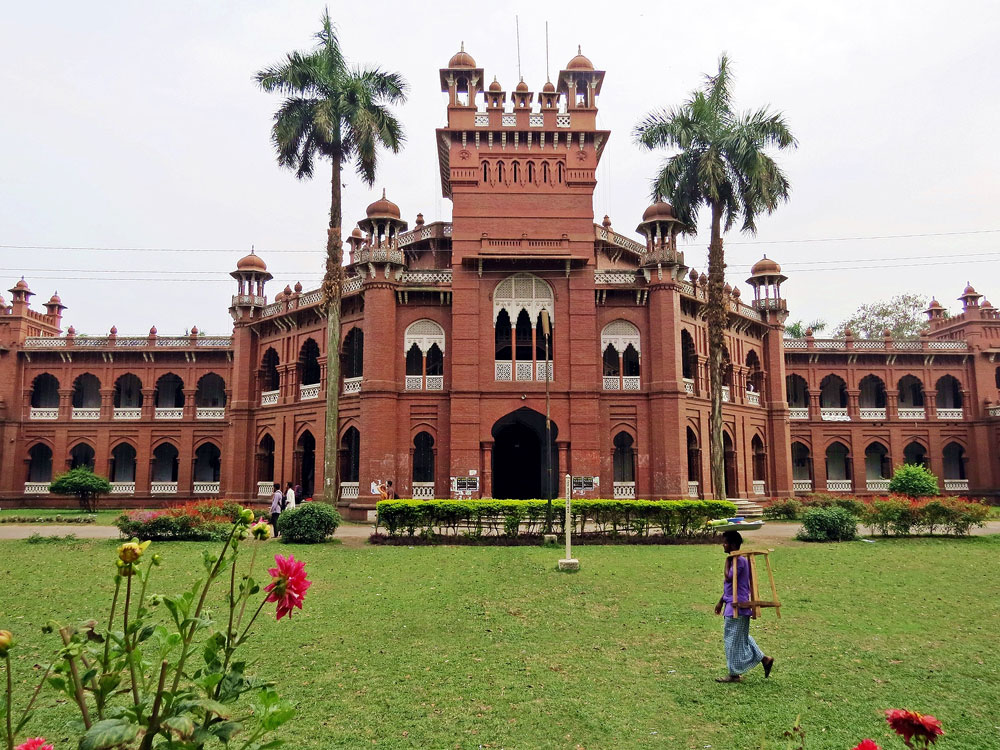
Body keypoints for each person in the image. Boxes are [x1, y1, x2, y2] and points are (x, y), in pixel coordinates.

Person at [713, 530, 774, 683]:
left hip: (738, 606)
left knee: (731, 639)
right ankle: (765, 659)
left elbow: (729, 577)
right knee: (740, 637)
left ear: (733, 545)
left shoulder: (738, 561)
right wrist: (721, 601)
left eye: (725, 542)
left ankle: (734, 674)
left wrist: (728, 562)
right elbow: (730, 586)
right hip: (733, 604)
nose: (723, 545)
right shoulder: (738, 560)